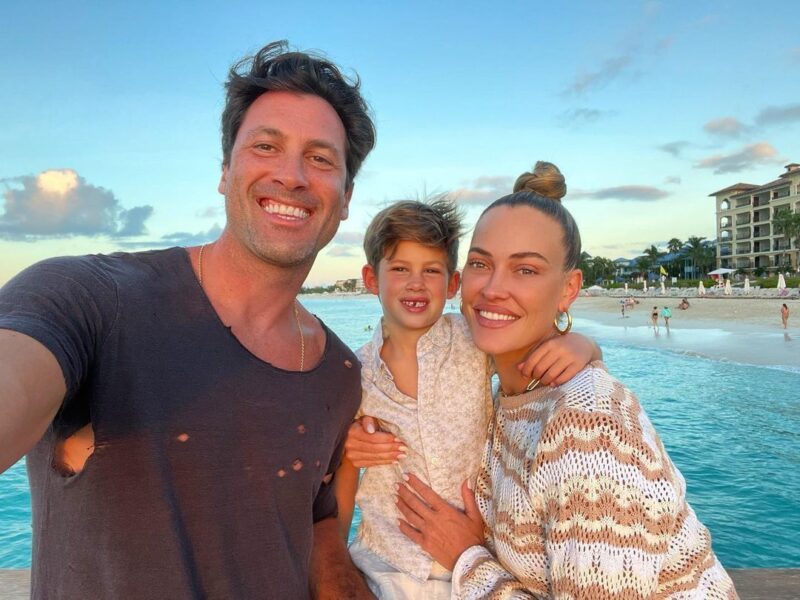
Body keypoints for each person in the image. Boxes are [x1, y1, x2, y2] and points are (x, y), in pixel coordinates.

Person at [0, 41, 376, 599]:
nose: (292, 175)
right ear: (225, 172)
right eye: (266, 146)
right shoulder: (90, 298)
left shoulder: (340, 373)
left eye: (321, 158)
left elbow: (315, 523)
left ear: (345, 198)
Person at [393, 162, 737, 598]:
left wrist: (466, 556)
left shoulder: (587, 428)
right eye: (481, 263)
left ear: (569, 289)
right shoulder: (511, 390)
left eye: (526, 270)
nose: (492, 288)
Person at [335, 198, 599, 598]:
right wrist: (335, 561)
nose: (416, 283)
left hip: (476, 560)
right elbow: (344, 474)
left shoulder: (474, 340)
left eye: (431, 270)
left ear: (452, 284)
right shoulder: (355, 373)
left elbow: (532, 356)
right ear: (372, 279)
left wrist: (584, 345)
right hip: (385, 561)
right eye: (400, 269)